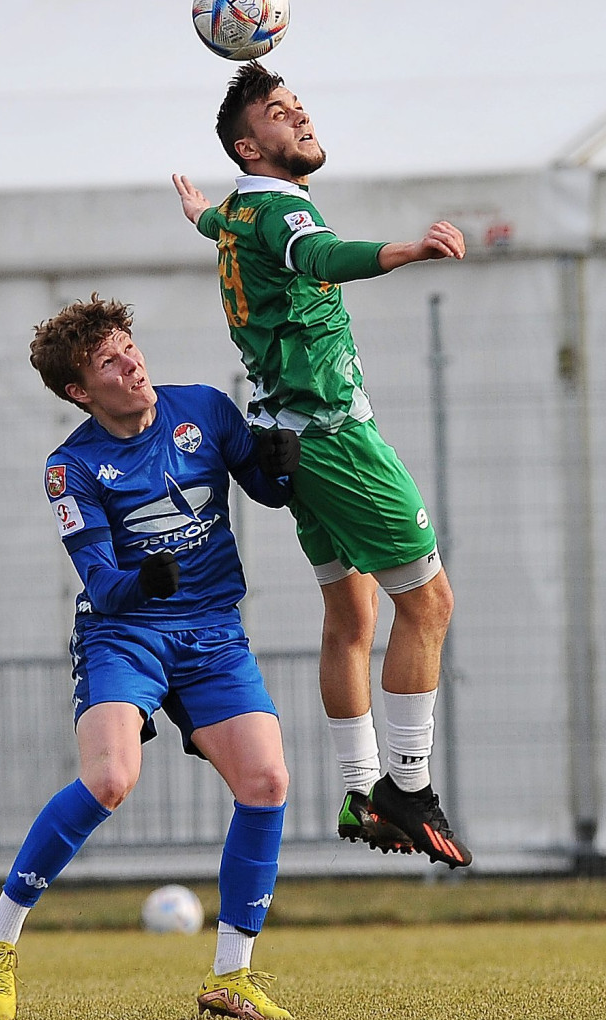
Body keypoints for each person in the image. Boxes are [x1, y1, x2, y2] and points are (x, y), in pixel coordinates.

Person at [0, 293, 302, 1020]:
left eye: (130, 346)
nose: (133, 362)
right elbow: (101, 585)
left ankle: (232, 975)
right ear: (78, 392)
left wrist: (283, 464)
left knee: (267, 779)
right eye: (110, 361)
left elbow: (271, 494)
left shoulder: (205, 410)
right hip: (126, 635)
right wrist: (142, 579)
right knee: (112, 778)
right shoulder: (71, 468)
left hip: (213, 630)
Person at [172, 61, 471, 870]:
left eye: (298, 104)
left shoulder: (238, 211)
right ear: (249, 144)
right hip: (334, 438)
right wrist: (408, 249)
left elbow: (225, 228)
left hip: (286, 440)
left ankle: (359, 789)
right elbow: (322, 256)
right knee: (431, 603)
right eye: (279, 111)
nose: (298, 116)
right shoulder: (282, 210)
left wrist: (204, 212)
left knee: (351, 622)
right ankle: (407, 790)